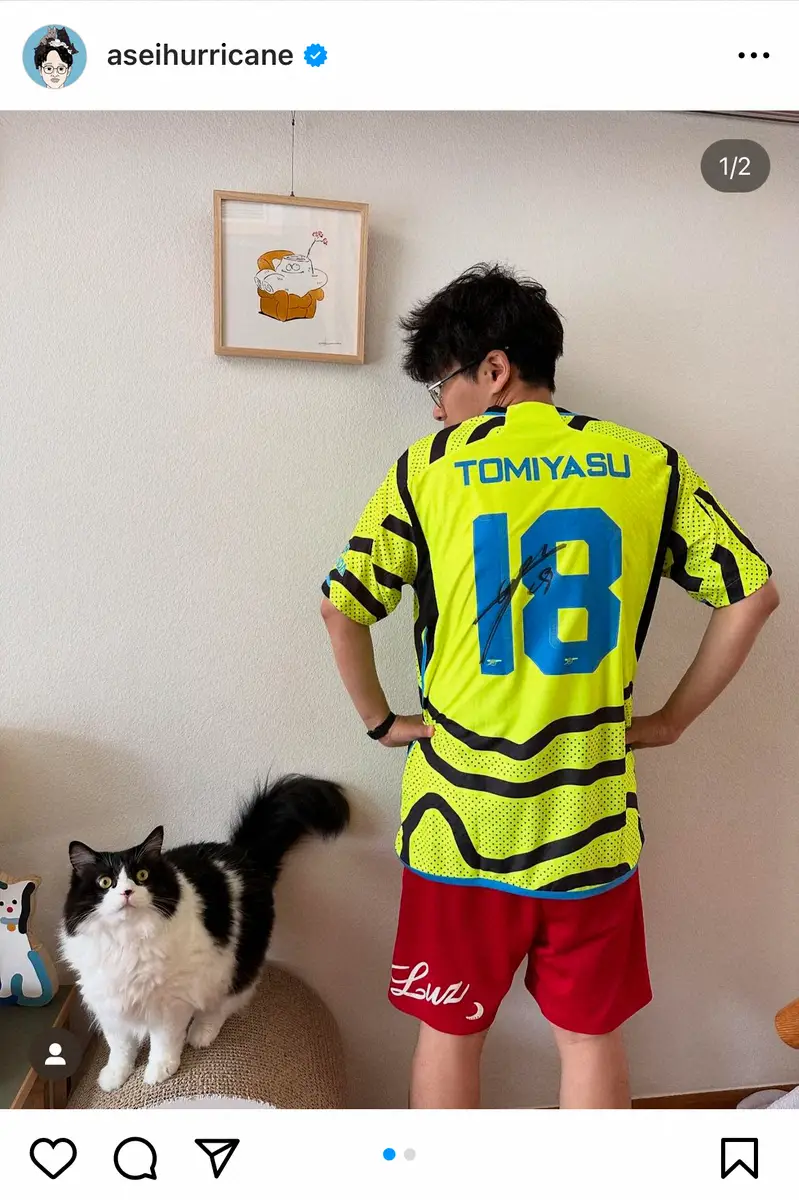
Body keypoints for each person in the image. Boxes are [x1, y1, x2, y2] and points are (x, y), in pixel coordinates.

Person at [320, 263, 779, 1109]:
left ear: (493, 370)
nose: (435, 409)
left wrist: (381, 722)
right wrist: (670, 721)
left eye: (439, 385)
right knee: (589, 1037)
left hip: (458, 819)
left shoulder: (427, 469)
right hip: (587, 818)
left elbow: (340, 608)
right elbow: (751, 594)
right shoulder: (648, 463)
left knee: (449, 1032)